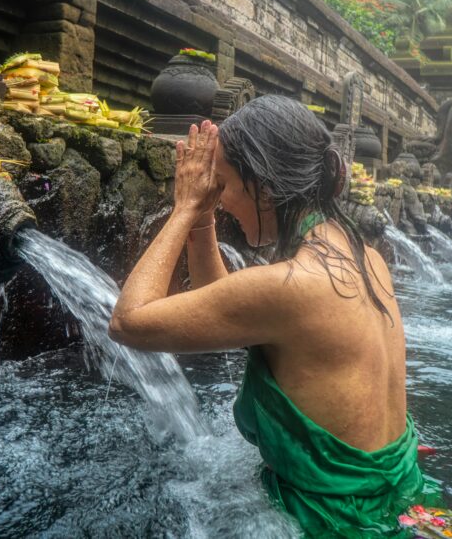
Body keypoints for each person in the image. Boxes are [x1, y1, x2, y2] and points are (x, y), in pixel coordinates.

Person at [109, 96, 430, 536]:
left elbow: (128, 321)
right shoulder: (368, 259)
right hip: (402, 501)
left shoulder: (293, 286)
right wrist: (202, 223)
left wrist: (183, 209)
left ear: (263, 186)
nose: (219, 202)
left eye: (223, 185)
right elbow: (224, 307)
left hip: (334, 524)